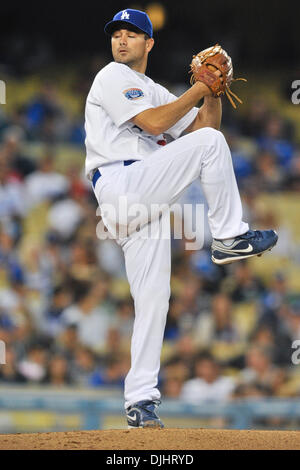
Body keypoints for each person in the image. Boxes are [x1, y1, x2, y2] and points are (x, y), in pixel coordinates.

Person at [84, 8, 278, 428]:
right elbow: (156, 123)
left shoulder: (153, 89)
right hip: (120, 185)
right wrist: (196, 88)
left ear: (149, 43)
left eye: (132, 34)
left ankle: (140, 402)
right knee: (211, 143)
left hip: (146, 199)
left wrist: (212, 92)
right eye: (116, 33)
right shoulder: (112, 77)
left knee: (154, 300)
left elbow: (201, 127)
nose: (121, 40)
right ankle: (229, 236)